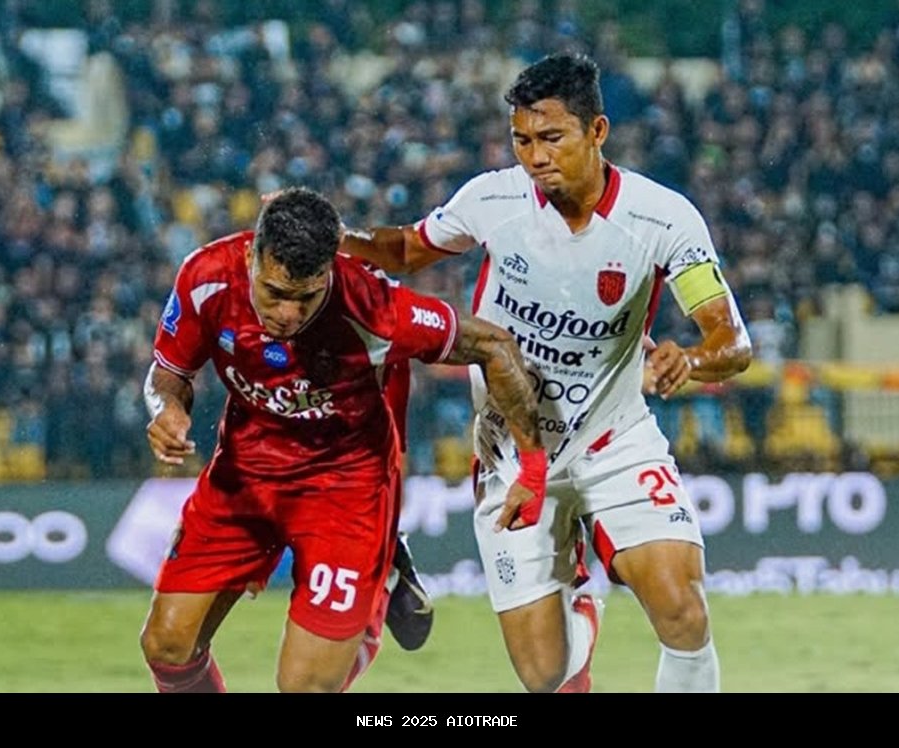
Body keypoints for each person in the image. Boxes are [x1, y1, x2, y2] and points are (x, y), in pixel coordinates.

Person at [339, 53, 753, 693]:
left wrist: (692, 359)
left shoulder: (662, 219)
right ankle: (584, 607)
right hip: (511, 450)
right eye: (522, 140)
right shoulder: (493, 199)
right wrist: (336, 238)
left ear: (597, 131)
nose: (535, 157)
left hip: (615, 441)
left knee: (683, 610)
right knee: (544, 674)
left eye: (552, 138)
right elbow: (406, 249)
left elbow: (732, 340)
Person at [139, 187, 546, 693]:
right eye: (275, 293)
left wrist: (533, 465)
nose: (288, 315)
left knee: (304, 686)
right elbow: (168, 372)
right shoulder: (206, 277)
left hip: (344, 487)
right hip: (245, 474)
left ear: (330, 269)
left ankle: (375, 592)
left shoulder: (371, 306)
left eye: (306, 297)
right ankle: (383, 571)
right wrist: (167, 408)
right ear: (251, 257)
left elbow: (494, 345)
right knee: (167, 646)